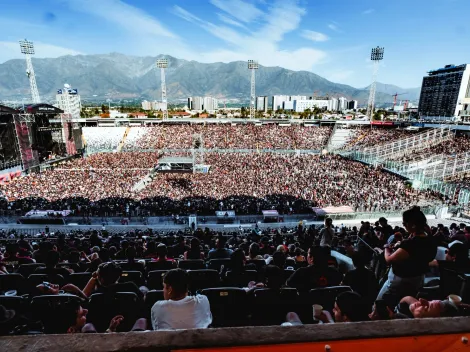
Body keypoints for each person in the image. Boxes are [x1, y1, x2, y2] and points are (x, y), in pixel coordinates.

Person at [377, 206, 437, 302]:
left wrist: (387, 248)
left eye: (404, 223)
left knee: (381, 303)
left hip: (400, 280)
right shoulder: (429, 238)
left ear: (413, 225)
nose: (404, 226)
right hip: (418, 278)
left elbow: (389, 259)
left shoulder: (411, 244)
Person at [395, 296, 459, 319]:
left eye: (426, 309)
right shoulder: (416, 306)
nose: (420, 303)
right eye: (429, 302)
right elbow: (407, 298)